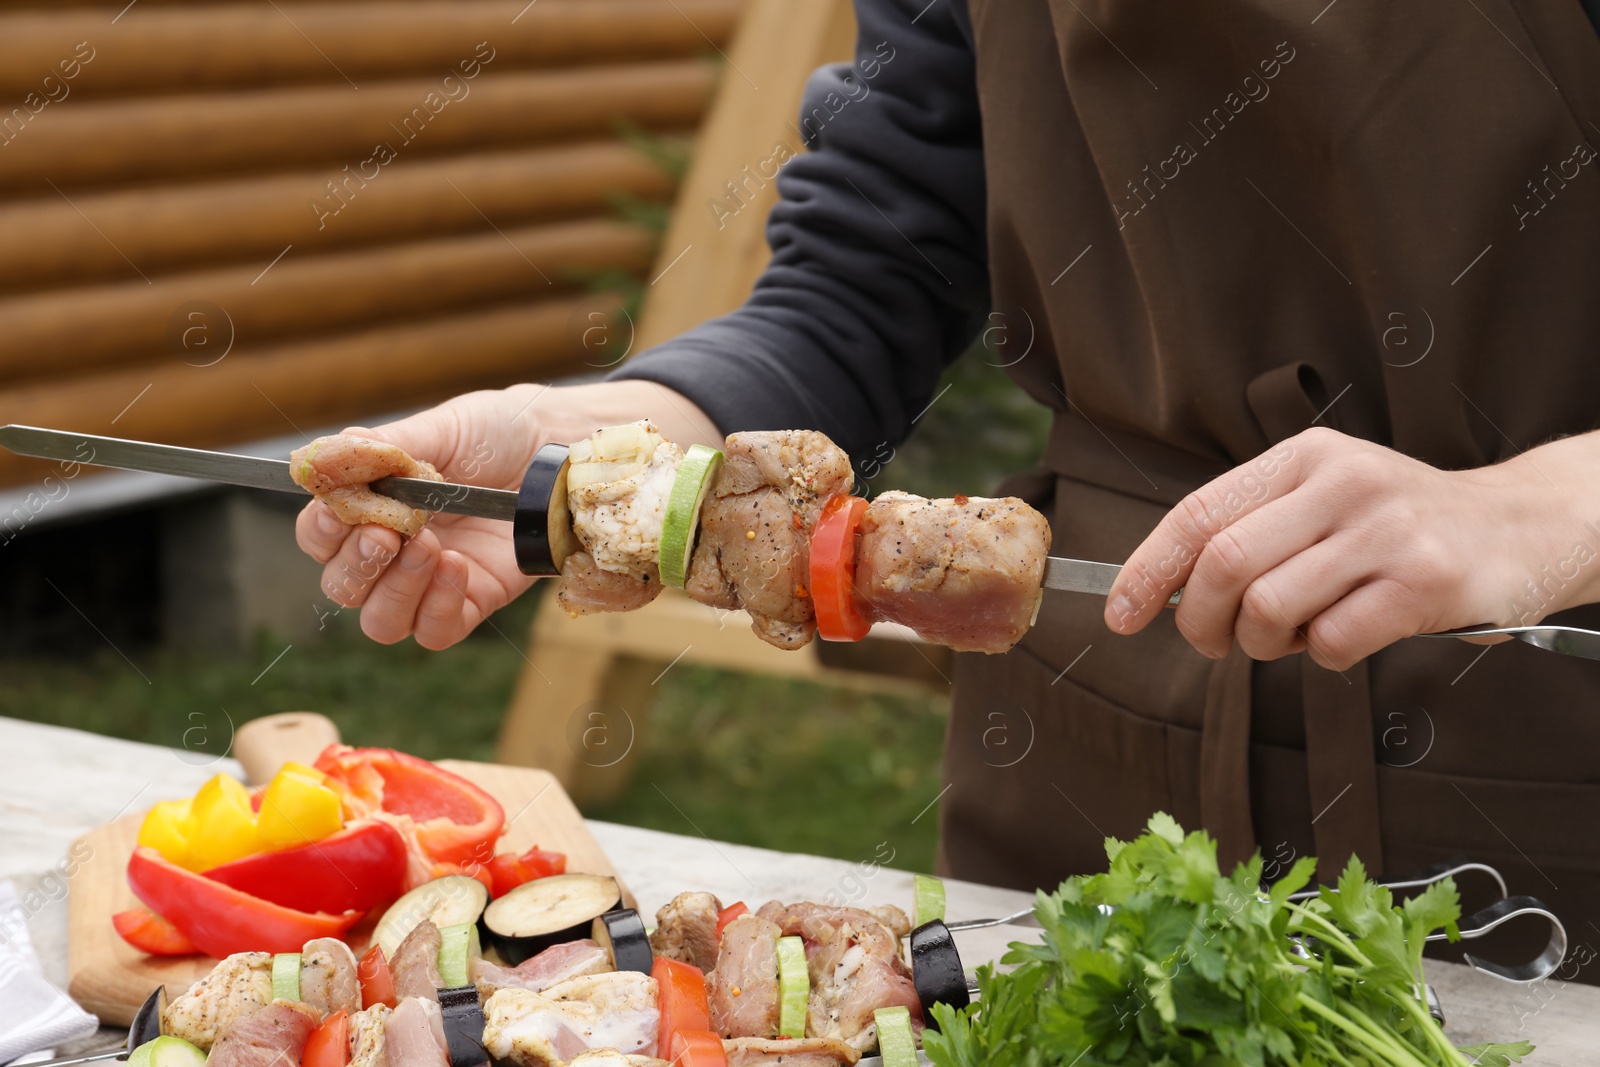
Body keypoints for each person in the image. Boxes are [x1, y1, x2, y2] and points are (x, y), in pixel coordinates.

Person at [297, 0, 1600, 963]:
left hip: (1539, 744)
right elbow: (866, 279)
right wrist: (594, 447)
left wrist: (1536, 512)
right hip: (1095, 762)